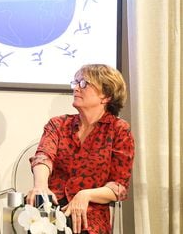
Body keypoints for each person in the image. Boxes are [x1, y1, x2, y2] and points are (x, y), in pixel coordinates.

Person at [26, 64, 135, 234]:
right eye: (75, 83)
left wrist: (86, 195)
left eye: (84, 84)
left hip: (91, 215)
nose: (76, 88)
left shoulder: (119, 130)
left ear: (105, 95)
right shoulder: (58, 124)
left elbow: (119, 187)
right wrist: (40, 186)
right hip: (51, 211)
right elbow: (43, 156)